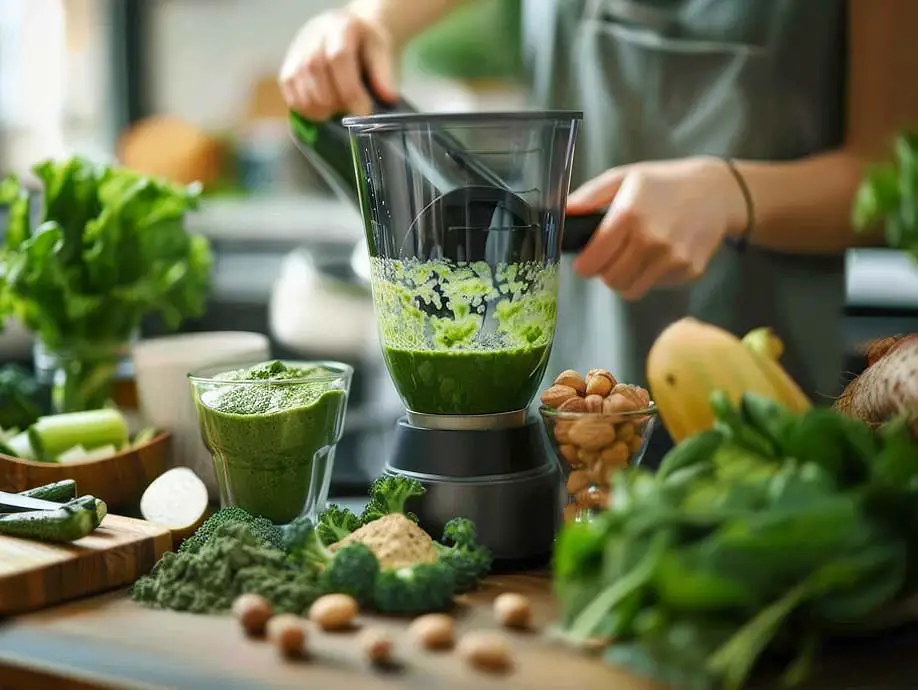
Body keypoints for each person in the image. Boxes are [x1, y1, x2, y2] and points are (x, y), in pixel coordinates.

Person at [279, 0, 918, 459]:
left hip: (760, 402)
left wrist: (731, 194)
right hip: (554, 378)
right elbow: (372, 24)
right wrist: (361, 22)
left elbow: (891, 181)